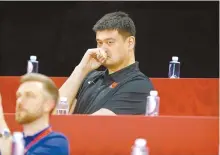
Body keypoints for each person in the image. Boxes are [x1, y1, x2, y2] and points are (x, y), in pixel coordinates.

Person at [58, 11, 154, 115]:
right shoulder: (90, 78)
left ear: (130, 43)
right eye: (99, 42)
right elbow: (55, 113)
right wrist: (81, 69)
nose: (103, 49)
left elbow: (94, 125)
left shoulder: (139, 84)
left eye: (110, 42)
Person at [0, 73, 69, 155]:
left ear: (48, 105)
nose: (20, 101)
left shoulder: (57, 143)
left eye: (29, 95)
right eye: (19, 96)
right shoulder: (14, 140)